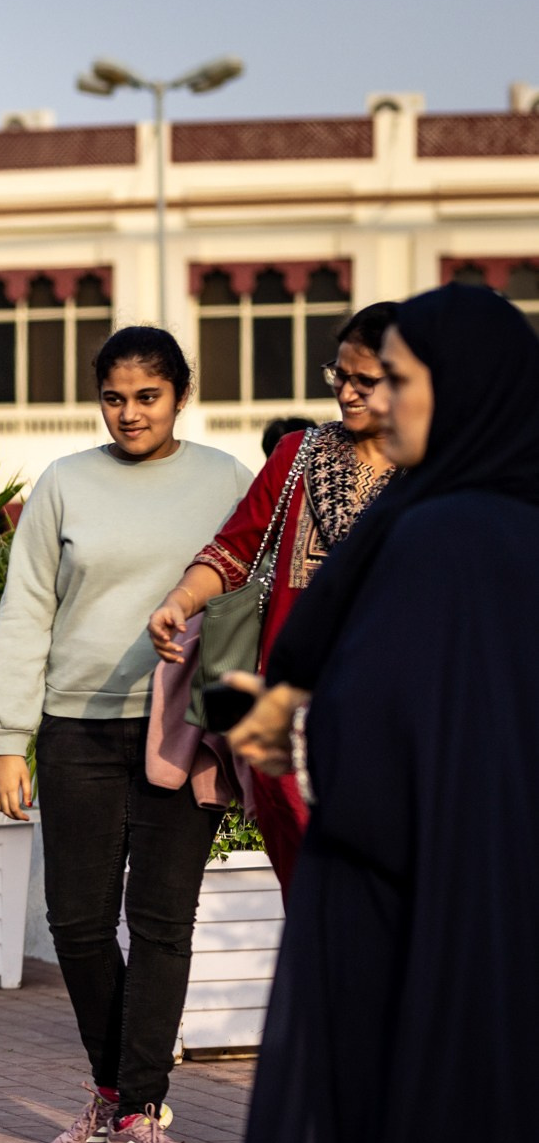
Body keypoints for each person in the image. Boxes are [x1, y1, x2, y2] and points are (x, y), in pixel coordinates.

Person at [155, 284, 539, 1143]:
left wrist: (239, 718)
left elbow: (365, 760)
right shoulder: (511, 522)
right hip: (496, 915)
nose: (384, 401)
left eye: (406, 380)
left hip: (416, 930)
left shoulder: (436, 538)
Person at [0, 327, 250, 1143]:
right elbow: (26, 612)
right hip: (76, 728)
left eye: (148, 396)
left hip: (182, 730)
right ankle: (114, 1094)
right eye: (115, 397)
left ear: (181, 394)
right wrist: (7, 739)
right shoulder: (64, 484)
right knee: (78, 925)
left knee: (164, 923)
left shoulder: (225, 481)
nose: (130, 413)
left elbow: (253, 594)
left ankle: (137, 1113)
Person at [146, 305, 406, 888]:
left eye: (367, 380)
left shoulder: (440, 474)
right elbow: (231, 553)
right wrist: (180, 602)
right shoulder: (297, 456)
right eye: (340, 376)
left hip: (396, 724)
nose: (348, 392)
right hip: (291, 733)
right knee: (313, 901)